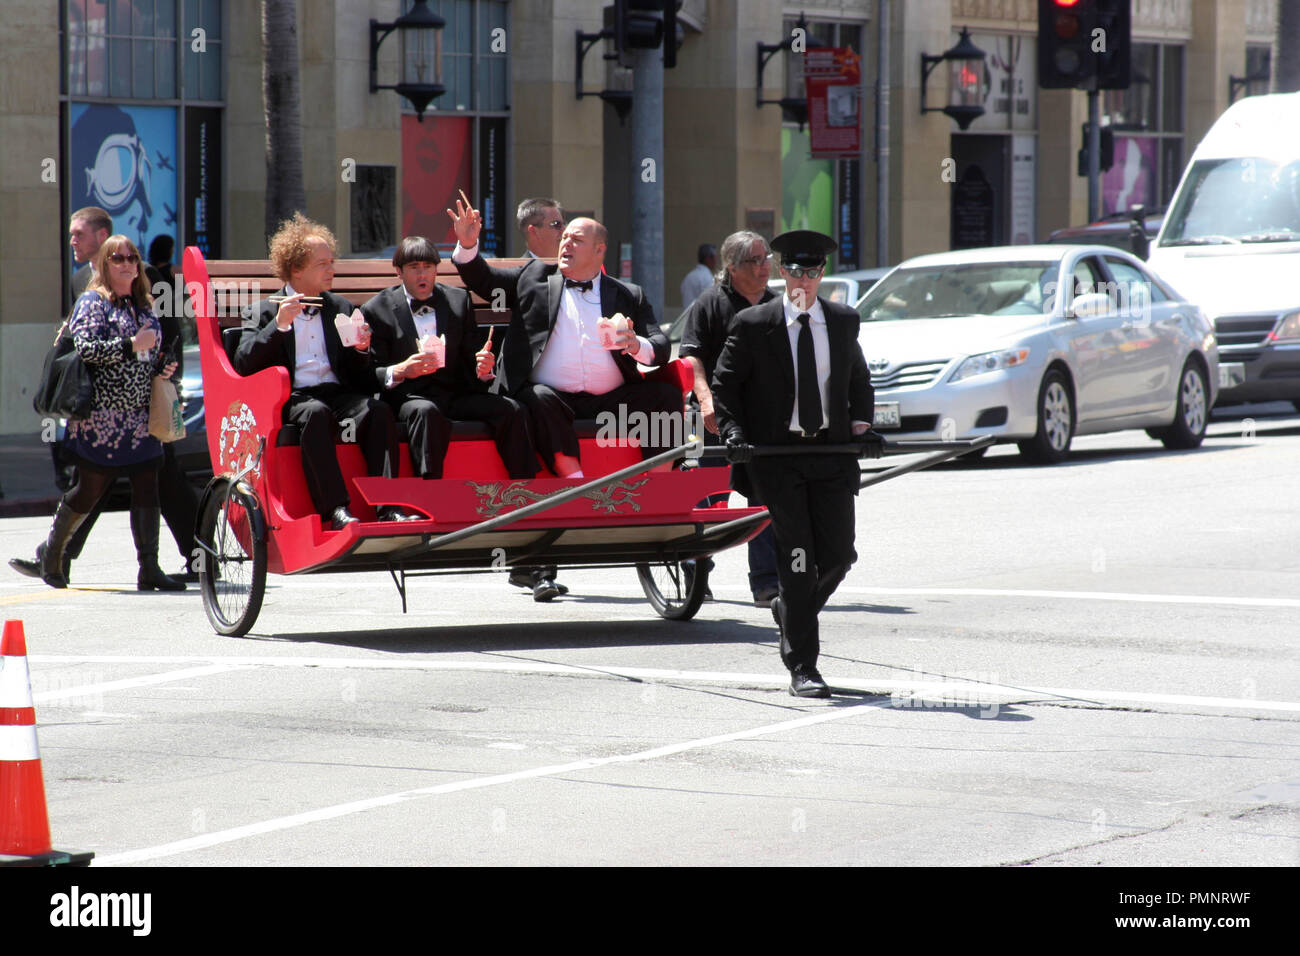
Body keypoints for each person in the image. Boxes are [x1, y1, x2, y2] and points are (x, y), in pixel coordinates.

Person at [712, 230, 876, 699]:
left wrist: (864, 427)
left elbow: (858, 381)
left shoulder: (843, 321)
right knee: (798, 560)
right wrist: (735, 434)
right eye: (794, 270)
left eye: (812, 271)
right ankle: (803, 666)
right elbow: (725, 387)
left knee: (840, 555)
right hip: (778, 460)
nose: (803, 279)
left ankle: (790, 609)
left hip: (830, 455)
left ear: (823, 274)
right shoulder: (753, 322)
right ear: (782, 272)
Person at [448, 199, 679, 481]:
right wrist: (469, 245)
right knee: (539, 397)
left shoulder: (628, 294)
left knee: (665, 397)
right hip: (551, 399)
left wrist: (635, 344)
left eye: (577, 240)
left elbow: (661, 345)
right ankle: (574, 482)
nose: (566, 243)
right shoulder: (533, 277)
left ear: (599, 250)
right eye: (565, 236)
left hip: (611, 401)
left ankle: (661, 484)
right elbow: (485, 280)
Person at [16, 236, 185, 591]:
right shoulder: (92, 302)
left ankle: (149, 568)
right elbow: (88, 349)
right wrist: (130, 345)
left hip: (139, 417)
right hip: (100, 417)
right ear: (105, 265)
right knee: (87, 490)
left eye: (131, 258)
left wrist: (163, 365)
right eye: (116, 258)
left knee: (147, 486)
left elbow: (152, 354)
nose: (126, 263)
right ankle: (52, 554)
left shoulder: (143, 305)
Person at [234, 213, 406, 530]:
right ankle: (335, 510)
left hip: (337, 394)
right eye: (322, 264)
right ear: (296, 269)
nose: (332, 269)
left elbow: (361, 378)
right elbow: (244, 362)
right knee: (314, 414)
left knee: (378, 411)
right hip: (294, 396)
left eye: (331, 261)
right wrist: (279, 326)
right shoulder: (264, 311)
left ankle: (388, 506)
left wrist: (361, 350)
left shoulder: (340, 307)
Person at [362, 236, 537, 482]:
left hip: (455, 393)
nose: (422, 275)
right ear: (399, 272)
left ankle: (526, 487)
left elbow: (471, 358)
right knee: (427, 413)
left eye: (428, 267)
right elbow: (371, 372)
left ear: (436, 269)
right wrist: (401, 370)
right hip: (410, 397)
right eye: (414, 268)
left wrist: (483, 368)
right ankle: (430, 492)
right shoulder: (376, 308)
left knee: (512, 409)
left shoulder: (457, 300)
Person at [678, 230, 781, 607]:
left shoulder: (777, 303)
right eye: (756, 260)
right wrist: (705, 401)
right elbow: (692, 358)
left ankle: (767, 583)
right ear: (732, 267)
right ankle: (696, 566)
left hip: (763, 418)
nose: (765, 266)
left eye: (767, 257)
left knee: (766, 499)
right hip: (713, 417)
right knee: (708, 501)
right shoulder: (709, 303)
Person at [143, 233, 202, 581]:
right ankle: (56, 554)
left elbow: (172, 332)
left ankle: (199, 554)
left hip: (150, 395)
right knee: (94, 476)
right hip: (119, 401)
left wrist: (171, 380)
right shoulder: (86, 280)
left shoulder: (149, 275)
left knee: (165, 473)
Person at [680, 243, 717, 309]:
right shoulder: (707, 278)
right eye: (714, 258)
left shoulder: (689, 276)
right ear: (708, 259)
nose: (716, 261)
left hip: (687, 318)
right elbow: (710, 304)